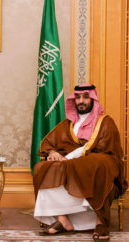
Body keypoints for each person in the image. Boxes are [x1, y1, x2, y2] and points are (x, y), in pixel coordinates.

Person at [33, 84, 127, 241]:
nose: (81, 101)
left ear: (93, 99)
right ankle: (62, 220)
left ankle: (100, 221)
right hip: (72, 164)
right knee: (42, 167)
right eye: (77, 98)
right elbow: (50, 144)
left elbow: (107, 150)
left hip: (98, 163)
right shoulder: (68, 124)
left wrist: (70, 158)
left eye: (85, 97)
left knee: (96, 162)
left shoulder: (105, 122)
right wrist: (53, 152)